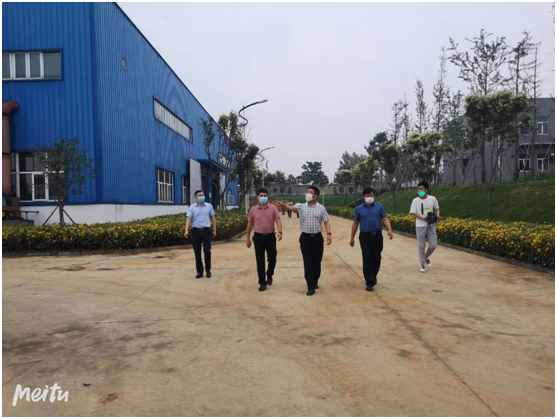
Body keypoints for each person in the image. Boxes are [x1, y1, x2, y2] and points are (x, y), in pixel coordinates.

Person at [277, 186, 331, 296]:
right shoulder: (301, 206)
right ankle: (310, 286)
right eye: (307, 192)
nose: (307, 194)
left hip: (317, 239)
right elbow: (291, 207)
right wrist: (283, 205)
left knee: (317, 262)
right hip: (305, 239)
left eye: (310, 193)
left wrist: (329, 234)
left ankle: (315, 279)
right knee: (307, 262)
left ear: (316, 196)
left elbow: (326, 222)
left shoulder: (321, 208)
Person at [350, 187, 393, 291]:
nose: (370, 197)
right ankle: (369, 282)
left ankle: (373, 276)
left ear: (374, 196)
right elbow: (355, 223)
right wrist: (352, 238)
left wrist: (389, 229)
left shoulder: (379, 206)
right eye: (367, 196)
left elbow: (384, 218)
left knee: (376, 258)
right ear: (364, 196)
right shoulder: (359, 209)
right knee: (367, 258)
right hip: (364, 237)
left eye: (371, 195)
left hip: (377, 236)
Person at [246, 188, 283, 292]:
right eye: (261, 195)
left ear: (267, 196)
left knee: (272, 258)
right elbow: (249, 224)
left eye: (265, 195)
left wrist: (280, 232)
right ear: (257, 197)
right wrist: (247, 238)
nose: (263, 197)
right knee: (260, 260)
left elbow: (278, 220)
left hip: (270, 237)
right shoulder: (253, 209)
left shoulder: (273, 208)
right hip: (258, 238)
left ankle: (270, 273)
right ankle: (262, 282)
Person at [185, 190, 216, 278]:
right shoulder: (192, 207)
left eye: (203, 195)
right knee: (197, 252)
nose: (202, 197)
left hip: (206, 231)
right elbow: (188, 219)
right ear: (195, 198)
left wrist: (214, 230)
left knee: (207, 250)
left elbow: (213, 218)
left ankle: (208, 270)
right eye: (199, 195)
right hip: (196, 231)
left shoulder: (209, 206)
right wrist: (186, 230)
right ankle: (199, 271)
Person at [409, 181, 440, 273]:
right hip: (420, 226)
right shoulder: (415, 200)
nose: (419, 191)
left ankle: (425, 257)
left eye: (421, 189)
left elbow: (437, 208)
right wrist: (423, 218)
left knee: (433, 245)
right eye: (418, 189)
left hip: (431, 225)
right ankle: (422, 264)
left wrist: (437, 216)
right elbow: (413, 212)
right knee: (421, 245)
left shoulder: (432, 199)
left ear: (426, 189)